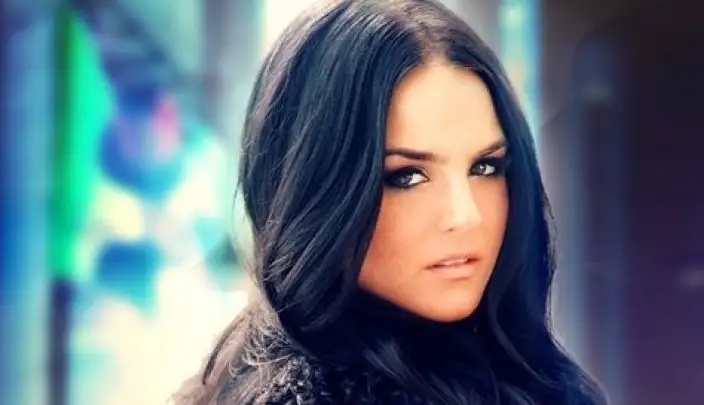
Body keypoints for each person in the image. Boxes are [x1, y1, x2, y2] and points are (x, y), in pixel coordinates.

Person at [174, 0, 607, 403]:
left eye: (485, 167)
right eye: (407, 176)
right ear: (314, 191)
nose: (466, 215)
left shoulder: (520, 371)